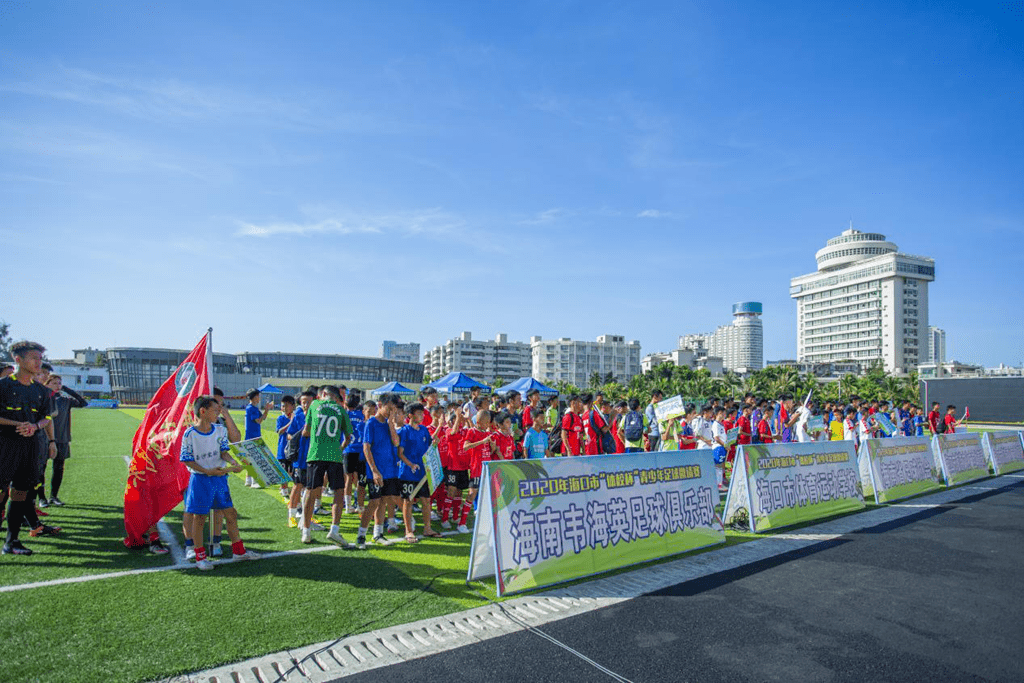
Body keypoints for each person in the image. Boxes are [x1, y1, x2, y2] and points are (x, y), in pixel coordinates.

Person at [180, 396, 259, 570]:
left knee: (230, 514)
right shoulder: (190, 434)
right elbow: (187, 460)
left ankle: (239, 552)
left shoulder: (220, 430)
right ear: (203, 411)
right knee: (199, 518)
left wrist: (233, 463)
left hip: (219, 480)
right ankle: (200, 557)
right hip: (200, 480)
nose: (219, 413)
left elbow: (224, 452)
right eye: (215, 410)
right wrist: (207, 471)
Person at [0, 341, 59, 555]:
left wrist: (34, 426)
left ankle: (12, 542)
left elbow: (45, 417)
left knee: (20, 494)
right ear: (18, 359)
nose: (38, 362)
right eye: (34, 358)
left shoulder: (41, 391)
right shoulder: (4, 386)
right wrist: (17, 425)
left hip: (30, 448)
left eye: (40, 358)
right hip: (5, 447)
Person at [301, 385, 353, 546]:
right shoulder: (341, 409)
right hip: (334, 456)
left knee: (310, 490)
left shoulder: (315, 405)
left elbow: (306, 431)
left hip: (316, 454)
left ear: (323, 394)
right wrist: (340, 448)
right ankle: (334, 530)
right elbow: (348, 437)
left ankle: (306, 530)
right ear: (336, 398)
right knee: (338, 491)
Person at [358, 393, 402, 548]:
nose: (392, 412)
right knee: (374, 502)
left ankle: (378, 534)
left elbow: (396, 443)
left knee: (384, 501)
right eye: (389, 408)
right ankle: (361, 535)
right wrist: (374, 470)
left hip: (390, 470)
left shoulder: (389, 424)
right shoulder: (371, 423)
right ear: (380, 405)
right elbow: (366, 447)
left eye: (394, 409)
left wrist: (391, 424)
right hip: (376, 470)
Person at [397, 402, 441, 541]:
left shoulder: (424, 430)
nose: (422, 416)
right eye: (419, 413)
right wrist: (410, 465)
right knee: (408, 501)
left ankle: (427, 528)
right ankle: (408, 530)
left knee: (426, 500)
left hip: (423, 473)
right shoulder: (404, 431)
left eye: (423, 413)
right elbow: (400, 453)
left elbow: (429, 446)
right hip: (408, 473)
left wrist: (435, 442)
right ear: (410, 415)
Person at [43, 375, 88, 505]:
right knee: (41, 469)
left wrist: (66, 389)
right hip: (44, 440)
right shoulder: (42, 398)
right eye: (54, 383)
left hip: (62, 439)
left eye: (59, 383)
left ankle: (53, 497)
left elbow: (83, 403)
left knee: (58, 468)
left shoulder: (65, 400)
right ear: (47, 384)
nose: (58, 385)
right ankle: (41, 498)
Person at [285, 390, 314, 529]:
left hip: (314, 458)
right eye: (303, 402)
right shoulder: (298, 417)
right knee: (297, 487)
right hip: (301, 458)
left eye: (308, 402)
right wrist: (300, 436)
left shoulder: (318, 417)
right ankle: (291, 516)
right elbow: (289, 435)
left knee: (311, 489)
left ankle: (308, 517)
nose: (306, 405)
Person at [243, 389, 273, 488]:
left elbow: (263, 418)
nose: (259, 398)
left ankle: (248, 479)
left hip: (253, 436)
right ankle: (255, 481)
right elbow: (259, 421)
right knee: (255, 459)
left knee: (251, 458)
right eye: (258, 396)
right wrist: (266, 410)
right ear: (255, 397)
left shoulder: (253, 408)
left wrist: (266, 410)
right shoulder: (251, 408)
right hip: (252, 436)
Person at [342, 393, 366, 515]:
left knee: (348, 479)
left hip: (348, 449)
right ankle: (359, 503)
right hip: (360, 450)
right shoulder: (362, 415)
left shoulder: (345, 415)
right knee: (359, 479)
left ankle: (348, 506)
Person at [275, 396, 296, 499]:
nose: (285, 408)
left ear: (293, 406)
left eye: (287, 406)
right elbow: (279, 431)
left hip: (293, 450)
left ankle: (288, 487)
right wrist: (290, 422)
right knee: (283, 470)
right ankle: (284, 489)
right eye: (283, 406)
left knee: (291, 471)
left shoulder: (297, 418)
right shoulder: (281, 418)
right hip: (282, 450)